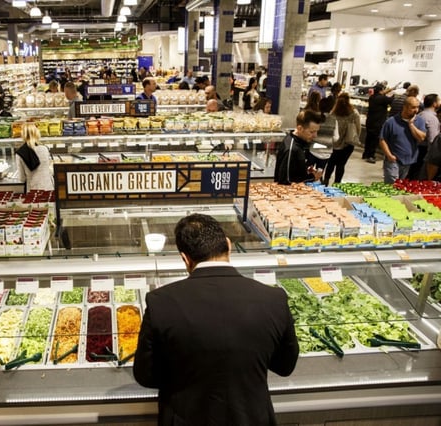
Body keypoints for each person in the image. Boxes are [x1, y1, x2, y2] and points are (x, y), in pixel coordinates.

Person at [133, 213, 299, 425]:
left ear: (185, 259)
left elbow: (145, 375)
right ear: (228, 245)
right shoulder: (274, 298)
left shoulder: (160, 303)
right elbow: (285, 366)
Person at [379, 96, 426, 183]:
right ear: (405, 107)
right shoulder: (391, 122)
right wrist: (389, 155)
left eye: (417, 107)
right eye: (413, 107)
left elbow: (421, 138)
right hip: (393, 160)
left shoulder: (419, 121)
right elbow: (382, 139)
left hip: (409, 161)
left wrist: (411, 125)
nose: (416, 110)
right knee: (392, 185)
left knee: (401, 186)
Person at [274, 110, 324, 184]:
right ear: (300, 128)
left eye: (317, 131)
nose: (315, 135)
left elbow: (294, 171)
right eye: (312, 132)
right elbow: (286, 181)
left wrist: (306, 170)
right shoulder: (291, 148)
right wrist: (312, 177)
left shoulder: (301, 142)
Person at [322, 93, 360, 186]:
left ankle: (325, 182)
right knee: (341, 165)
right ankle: (337, 184)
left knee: (330, 163)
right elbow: (358, 128)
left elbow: (329, 128)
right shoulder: (354, 113)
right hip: (348, 144)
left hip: (333, 143)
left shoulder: (333, 113)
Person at [14, 123, 54, 191]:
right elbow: (48, 170)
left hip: (32, 191)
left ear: (23, 135)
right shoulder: (44, 149)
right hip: (48, 188)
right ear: (37, 134)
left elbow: (22, 179)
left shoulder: (20, 153)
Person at [362, 83, 394, 163]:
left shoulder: (372, 97)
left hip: (369, 121)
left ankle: (365, 154)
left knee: (368, 138)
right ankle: (371, 156)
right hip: (378, 122)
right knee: (374, 140)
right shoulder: (382, 98)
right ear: (381, 90)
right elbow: (391, 100)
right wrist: (392, 93)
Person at [420, 94, 441, 180]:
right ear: (434, 103)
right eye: (439, 100)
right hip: (427, 153)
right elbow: (432, 140)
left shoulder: (421, 114)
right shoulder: (432, 118)